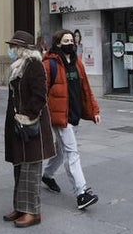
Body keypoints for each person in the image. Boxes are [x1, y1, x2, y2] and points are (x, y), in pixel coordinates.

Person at [40, 30, 100, 210]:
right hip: (59, 115)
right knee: (71, 153)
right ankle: (81, 193)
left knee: (60, 150)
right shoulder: (49, 64)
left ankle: (47, 175)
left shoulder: (77, 62)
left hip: (74, 113)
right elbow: (42, 91)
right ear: (58, 43)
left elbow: (85, 88)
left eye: (71, 40)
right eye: (66, 40)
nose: (70, 43)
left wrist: (94, 110)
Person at [2, 31, 55, 229]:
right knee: (19, 169)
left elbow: (40, 96)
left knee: (30, 170)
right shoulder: (19, 66)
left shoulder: (34, 65)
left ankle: (33, 212)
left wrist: (27, 115)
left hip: (31, 126)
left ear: (21, 48)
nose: (10, 50)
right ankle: (20, 207)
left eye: (12, 47)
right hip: (18, 126)